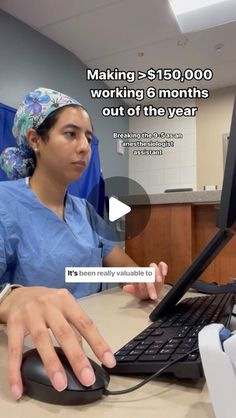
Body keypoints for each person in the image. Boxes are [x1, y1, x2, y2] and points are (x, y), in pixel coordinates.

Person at [0, 87, 168, 401]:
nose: (84, 148)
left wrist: (143, 279)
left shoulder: (85, 210)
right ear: (36, 140)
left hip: (98, 339)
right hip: (37, 350)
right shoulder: (4, 203)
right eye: (71, 134)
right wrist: (13, 298)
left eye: (88, 138)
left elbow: (123, 268)